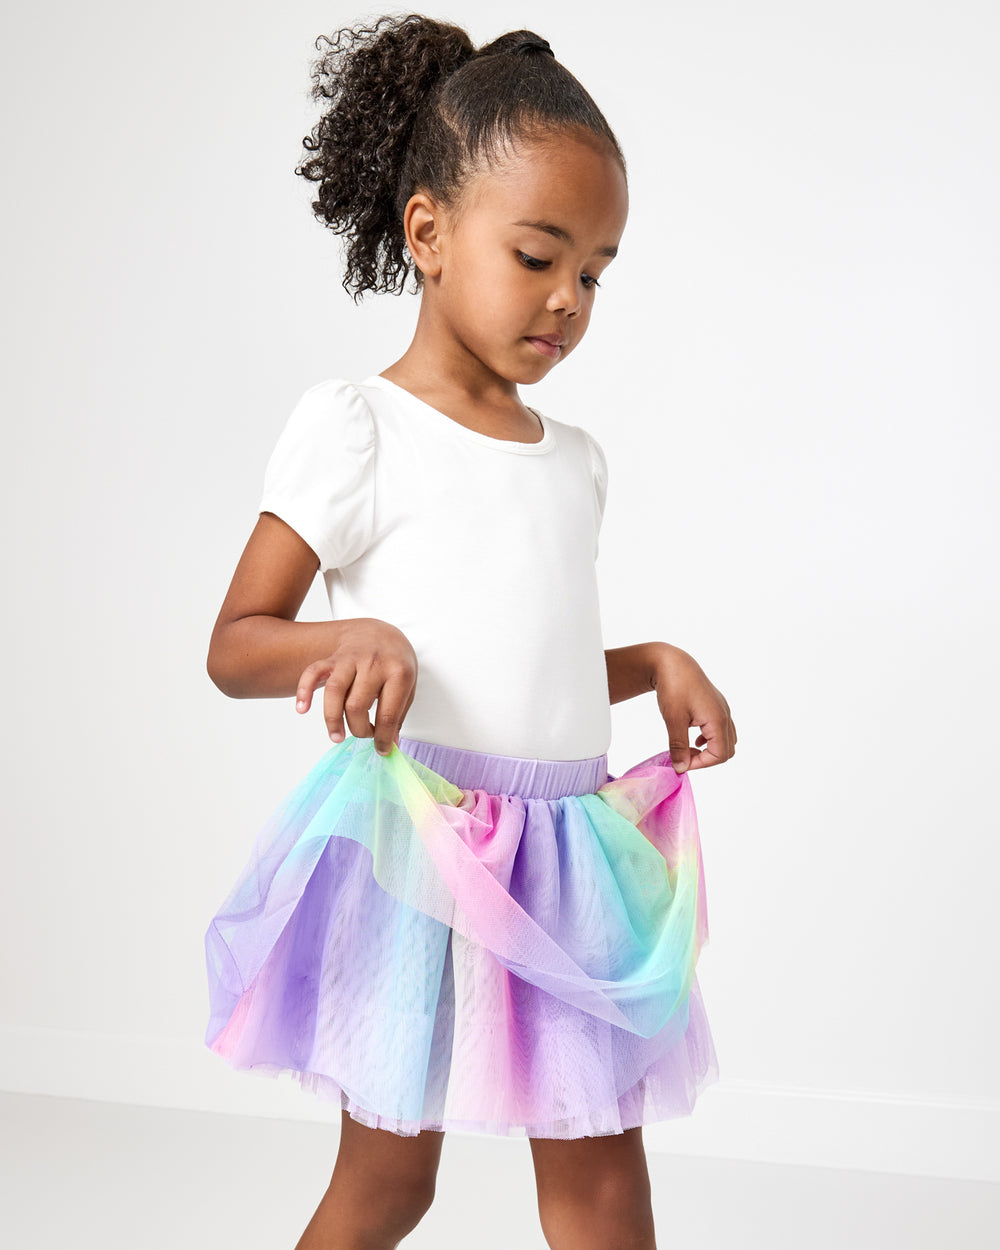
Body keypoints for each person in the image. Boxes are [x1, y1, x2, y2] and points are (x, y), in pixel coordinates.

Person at [202, 14, 737, 1250]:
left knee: (603, 1185)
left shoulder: (576, 461)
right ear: (430, 232)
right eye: (540, 254)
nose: (568, 298)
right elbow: (237, 639)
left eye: (595, 271)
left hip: (567, 859)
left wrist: (652, 662)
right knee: (392, 1180)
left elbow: (528, 668)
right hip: (419, 847)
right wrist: (355, 636)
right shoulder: (359, 428)